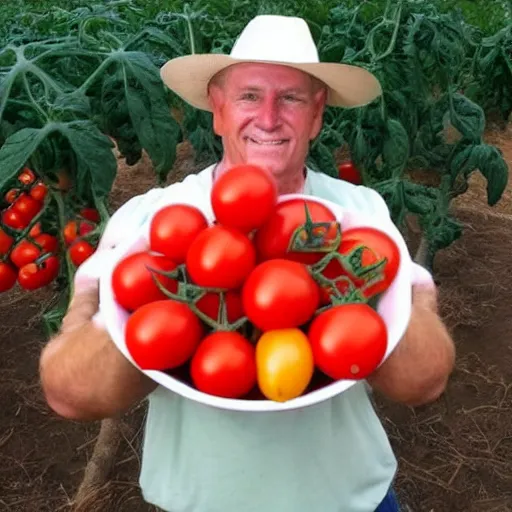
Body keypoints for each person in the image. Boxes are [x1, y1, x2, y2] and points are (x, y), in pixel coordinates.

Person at [39, 14, 456, 512]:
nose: (269, 117)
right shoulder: (152, 222)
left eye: (292, 98)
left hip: (350, 500)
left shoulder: (357, 216)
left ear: (317, 114)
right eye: (249, 96)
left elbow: (422, 382)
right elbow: (71, 396)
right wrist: (98, 303)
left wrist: (418, 295)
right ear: (217, 111)